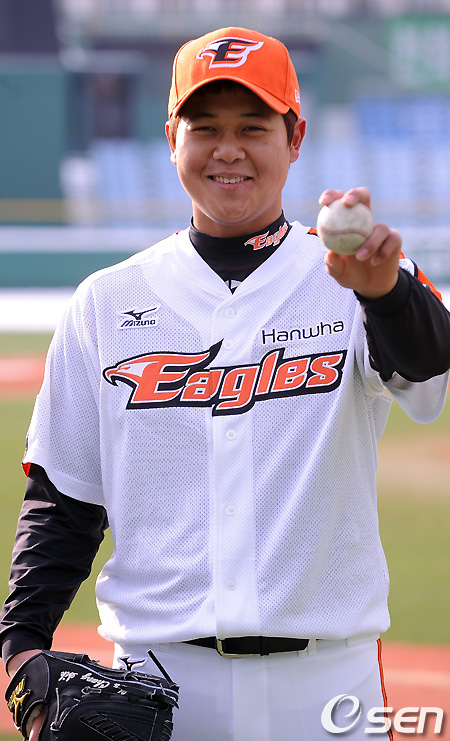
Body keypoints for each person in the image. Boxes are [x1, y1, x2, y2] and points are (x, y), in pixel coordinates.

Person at [1, 27, 450, 741]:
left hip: (330, 684)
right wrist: (22, 642)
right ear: (171, 138)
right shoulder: (106, 302)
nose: (228, 149)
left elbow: (429, 380)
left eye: (252, 127)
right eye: (205, 127)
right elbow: (65, 496)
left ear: (294, 138)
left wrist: (386, 292)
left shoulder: (357, 279)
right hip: (158, 683)